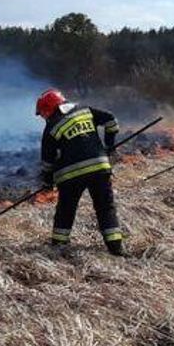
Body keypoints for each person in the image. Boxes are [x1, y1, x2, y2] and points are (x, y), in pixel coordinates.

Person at [36, 88, 124, 256]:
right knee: (105, 207)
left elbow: (47, 161)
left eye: (42, 113)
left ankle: (59, 246)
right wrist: (110, 145)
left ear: (48, 109)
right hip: (99, 167)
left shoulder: (51, 127)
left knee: (66, 209)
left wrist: (47, 182)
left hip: (70, 175)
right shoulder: (85, 110)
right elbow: (111, 120)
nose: (43, 117)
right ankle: (116, 247)